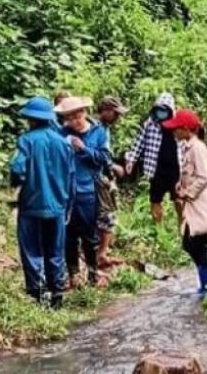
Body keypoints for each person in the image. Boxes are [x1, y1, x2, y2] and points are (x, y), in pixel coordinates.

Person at [10, 96, 76, 309]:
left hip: (31, 205)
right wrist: (68, 205)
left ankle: (37, 294)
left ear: (31, 119)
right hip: (58, 205)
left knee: (31, 250)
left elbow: (17, 169)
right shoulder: (64, 143)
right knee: (55, 249)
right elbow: (71, 177)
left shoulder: (26, 141)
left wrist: (17, 183)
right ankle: (57, 294)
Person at [162, 109, 207, 297]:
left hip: (201, 204)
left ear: (185, 129)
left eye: (176, 128)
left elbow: (204, 176)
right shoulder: (189, 147)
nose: (173, 131)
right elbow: (192, 174)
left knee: (198, 245)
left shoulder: (197, 148)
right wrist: (180, 185)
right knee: (192, 244)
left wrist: (187, 193)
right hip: (196, 204)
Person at [57, 96, 111, 288]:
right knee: (69, 235)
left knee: (90, 235)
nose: (74, 122)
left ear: (84, 113)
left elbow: (104, 158)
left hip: (89, 191)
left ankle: (93, 273)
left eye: (76, 117)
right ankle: (74, 274)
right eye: (69, 118)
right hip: (66, 192)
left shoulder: (99, 132)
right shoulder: (62, 133)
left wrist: (83, 149)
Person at [125, 93, 182, 224]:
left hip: (176, 170)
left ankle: (183, 226)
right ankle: (159, 228)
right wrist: (131, 160)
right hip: (156, 168)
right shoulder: (150, 124)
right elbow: (139, 142)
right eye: (159, 109)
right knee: (155, 200)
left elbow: (186, 145)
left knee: (179, 199)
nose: (161, 113)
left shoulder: (178, 125)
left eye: (164, 110)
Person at [96, 96, 129, 269]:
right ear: (106, 111)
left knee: (105, 215)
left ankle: (102, 251)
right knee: (107, 215)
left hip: (103, 176)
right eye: (115, 113)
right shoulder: (97, 129)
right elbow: (100, 155)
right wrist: (112, 168)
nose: (118, 117)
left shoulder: (105, 129)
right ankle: (101, 255)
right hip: (98, 177)